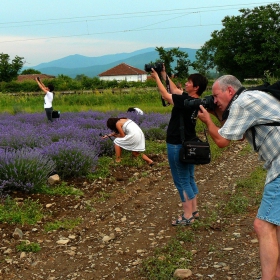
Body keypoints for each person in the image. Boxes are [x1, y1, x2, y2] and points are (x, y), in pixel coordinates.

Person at [197, 74, 280, 280]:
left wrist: (208, 120)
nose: (213, 100)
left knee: (263, 225)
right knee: (276, 225)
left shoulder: (242, 103)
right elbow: (239, 133)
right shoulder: (251, 97)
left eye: (216, 96)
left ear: (230, 91)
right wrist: (216, 111)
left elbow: (223, 140)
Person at [150, 66, 208, 226]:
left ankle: (187, 215)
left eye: (189, 82)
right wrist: (164, 74)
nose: (186, 84)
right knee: (189, 178)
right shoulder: (193, 101)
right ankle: (194, 211)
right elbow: (174, 89)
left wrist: (156, 78)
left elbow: (166, 94)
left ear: (196, 87)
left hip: (177, 144)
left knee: (181, 180)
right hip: (189, 143)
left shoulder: (184, 101)